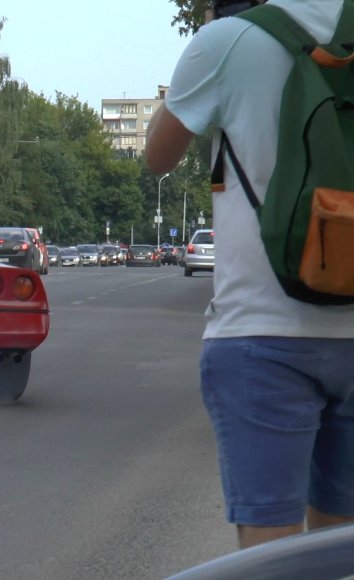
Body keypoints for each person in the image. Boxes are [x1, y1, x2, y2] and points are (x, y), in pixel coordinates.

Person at [146, 0, 354, 550]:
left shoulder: (227, 42)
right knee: (341, 552)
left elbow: (156, 156)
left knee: (271, 553)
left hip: (261, 334)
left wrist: (200, 55)